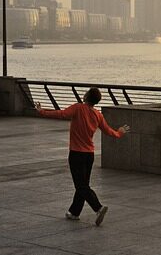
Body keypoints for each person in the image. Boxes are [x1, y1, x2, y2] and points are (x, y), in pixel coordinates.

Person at [35, 87, 130, 226]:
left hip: (76, 153)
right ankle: (74, 212)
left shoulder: (78, 108)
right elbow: (109, 131)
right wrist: (120, 132)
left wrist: (41, 112)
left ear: (86, 96)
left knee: (81, 185)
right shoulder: (98, 115)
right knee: (82, 184)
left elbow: (61, 114)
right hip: (89, 155)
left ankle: (98, 207)